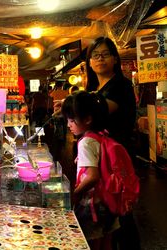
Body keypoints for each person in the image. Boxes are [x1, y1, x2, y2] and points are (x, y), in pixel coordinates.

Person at [85, 37, 140, 250]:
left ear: (115, 59)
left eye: (105, 54)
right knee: (108, 213)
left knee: (121, 211)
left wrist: (75, 106)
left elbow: (100, 110)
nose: (100, 59)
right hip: (101, 159)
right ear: (89, 62)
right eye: (95, 55)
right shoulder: (94, 87)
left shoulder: (121, 85)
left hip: (117, 159)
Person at [62, 91, 118, 250]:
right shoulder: (101, 135)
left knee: (90, 243)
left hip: (93, 205)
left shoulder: (85, 143)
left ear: (87, 119)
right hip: (108, 201)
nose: (68, 125)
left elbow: (93, 177)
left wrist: (76, 192)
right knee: (106, 242)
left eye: (72, 120)